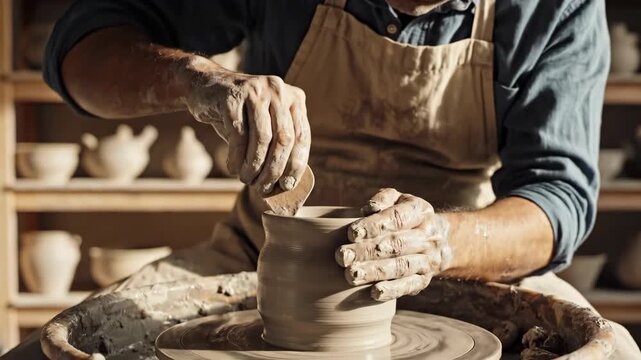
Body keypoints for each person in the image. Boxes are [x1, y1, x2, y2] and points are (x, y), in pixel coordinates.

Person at [5, 0, 638, 358]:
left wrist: (440, 242)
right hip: (259, 252)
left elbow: (558, 198)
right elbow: (79, 48)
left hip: (462, 254)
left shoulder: (556, 7)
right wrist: (195, 79)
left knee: (612, 355)